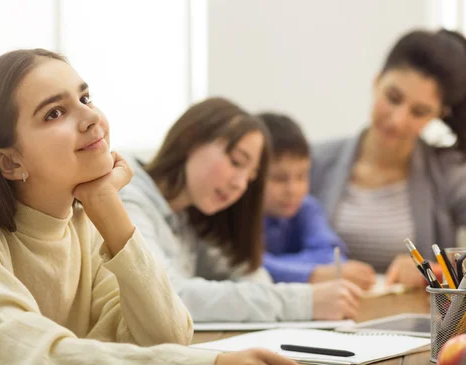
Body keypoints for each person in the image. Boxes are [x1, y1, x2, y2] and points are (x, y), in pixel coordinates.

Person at [0, 49, 294, 365]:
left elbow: (165, 336)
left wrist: (107, 205)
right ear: (10, 161)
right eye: (54, 113)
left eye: (86, 98)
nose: (91, 119)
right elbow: (25, 355)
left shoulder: (84, 223)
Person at [119, 97, 362, 324]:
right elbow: (167, 296)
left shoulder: (187, 213)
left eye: (251, 177)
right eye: (236, 162)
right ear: (190, 139)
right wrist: (301, 301)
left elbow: (245, 271)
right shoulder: (127, 198)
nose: (240, 185)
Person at [311, 29, 466, 287]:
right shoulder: (315, 162)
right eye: (393, 98)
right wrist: (311, 273)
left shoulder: (448, 173)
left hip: (412, 321)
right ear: (376, 82)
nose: (398, 120)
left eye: (419, 111)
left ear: (438, 114)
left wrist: (436, 271)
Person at [258, 112, 376, 290]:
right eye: (279, 178)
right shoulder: (239, 215)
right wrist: (314, 274)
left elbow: (332, 255)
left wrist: (280, 267)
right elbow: (247, 267)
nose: (293, 189)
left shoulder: (306, 207)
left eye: (302, 176)